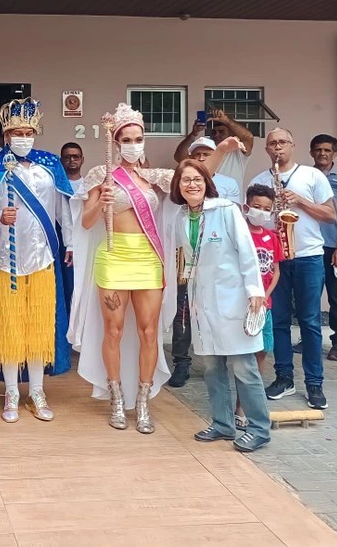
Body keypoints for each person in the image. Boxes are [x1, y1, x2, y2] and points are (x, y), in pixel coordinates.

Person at [69, 104, 239, 432]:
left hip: (148, 260)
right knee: (114, 331)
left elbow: (196, 178)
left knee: (149, 332)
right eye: (127, 139)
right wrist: (100, 203)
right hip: (113, 256)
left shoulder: (154, 177)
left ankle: (144, 402)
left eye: (138, 138)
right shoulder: (99, 175)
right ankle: (117, 397)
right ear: (116, 143)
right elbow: (87, 222)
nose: (134, 144)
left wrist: (221, 150)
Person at [0, 97, 73, 423]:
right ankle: (11, 392)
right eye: (17, 131)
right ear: (6, 135)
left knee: (39, 327)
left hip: (43, 257)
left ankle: (37, 390)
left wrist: (70, 243)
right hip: (8, 260)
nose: (23, 136)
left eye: (28, 131)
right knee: (10, 328)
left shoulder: (50, 165)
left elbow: (64, 209)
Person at [170, 160, 271, 452]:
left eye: (197, 179)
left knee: (244, 367)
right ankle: (223, 424)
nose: (192, 184)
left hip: (234, 297)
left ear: (207, 183)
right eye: (185, 180)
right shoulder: (179, 216)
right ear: (178, 186)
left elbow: (246, 251)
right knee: (213, 367)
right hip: (202, 300)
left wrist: (255, 291)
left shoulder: (226, 210)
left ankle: (259, 429)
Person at [248, 128, 336, 410]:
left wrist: (299, 200)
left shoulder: (312, 176)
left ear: (292, 146)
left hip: (308, 255)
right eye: (272, 143)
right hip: (276, 258)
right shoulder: (260, 180)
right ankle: (284, 377)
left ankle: (314, 383)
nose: (278, 148)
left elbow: (331, 215)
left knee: (310, 321)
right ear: (267, 149)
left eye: (283, 142)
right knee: (280, 320)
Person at [167, 135, 240, 387]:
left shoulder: (225, 188)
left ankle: (223, 358)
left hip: (218, 266)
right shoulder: (183, 191)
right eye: (196, 154)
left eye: (206, 154)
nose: (201, 159)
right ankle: (181, 362)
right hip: (186, 265)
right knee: (183, 315)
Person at [234, 184, 282, 428]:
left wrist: (265, 295)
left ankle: (250, 402)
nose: (261, 212)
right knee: (241, 357)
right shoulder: (239, 234)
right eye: (256, 207)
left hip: (265, 306)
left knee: (261, 353)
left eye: (266, 209)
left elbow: (275, 270)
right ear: (246, 207)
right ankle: (238, 408)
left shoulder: (272, 237)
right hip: (241, 304)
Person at [306, 134, 337, 362]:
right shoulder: (306, 176)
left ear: (335, 153)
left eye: (327, 150)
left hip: (332, 248)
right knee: (310, 297)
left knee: (336, 297)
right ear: (311, 152)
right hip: (310, 247)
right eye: (318, 150)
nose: (322, 154)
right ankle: (308, 340)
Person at [174, 108, 253, 192]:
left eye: (221, 132)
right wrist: (194, 133)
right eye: (213, 132)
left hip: (231, 200)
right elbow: (179, 157)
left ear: (231, 134)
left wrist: (226, 119)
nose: (216, 135)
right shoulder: (205, 148)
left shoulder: (238, 150)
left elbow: (248, 137)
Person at [59, 142, 84, 319]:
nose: (72, 160)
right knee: (65, 287)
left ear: (82, 159)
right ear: (61, 161)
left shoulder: (89, 185)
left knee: (82, 288)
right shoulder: (55, 186)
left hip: (84, 240)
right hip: (62, 243)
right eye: (67, 157)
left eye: (75, 156)